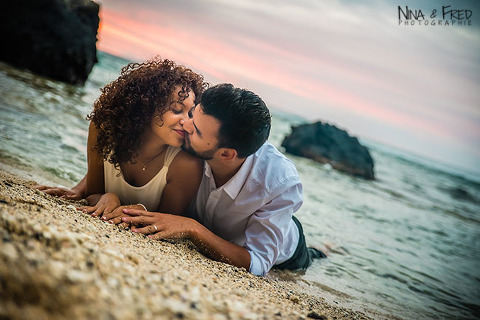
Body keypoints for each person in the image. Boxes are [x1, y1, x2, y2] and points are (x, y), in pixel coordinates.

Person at [121, 83, 326, 276]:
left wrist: (192, 228)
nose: (185, 124)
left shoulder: (278, 183)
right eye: (193, 114)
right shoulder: (187, 144)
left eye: (197, 131)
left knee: (316, 256)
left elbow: (258, 263)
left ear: (226, 154)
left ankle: (326, 249)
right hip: (223, 230)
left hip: (286, 250)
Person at [36, 58, 207, 223]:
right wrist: (108, 197)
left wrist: (140, 209)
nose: (187, 121)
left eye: (191, 113)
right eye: (176, 109)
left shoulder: (185, 164)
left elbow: (168, 223)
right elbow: (93, 194)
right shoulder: (103, 131)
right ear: (145, 106)